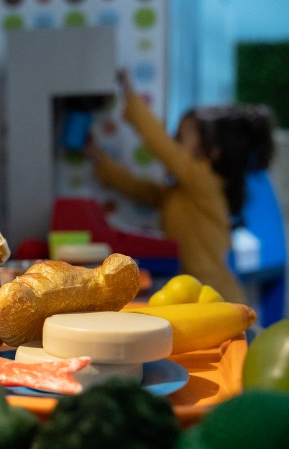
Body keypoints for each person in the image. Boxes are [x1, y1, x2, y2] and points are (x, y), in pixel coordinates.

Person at [86, 70, 275, 303]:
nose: (174, 143)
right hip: (201, 293)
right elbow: (141, 190)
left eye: (181, 138)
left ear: (211, 153)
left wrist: (130, 95)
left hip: (219, 297)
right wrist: (99, 159)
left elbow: (163, 147)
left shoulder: (204, 183)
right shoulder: (183, 193)